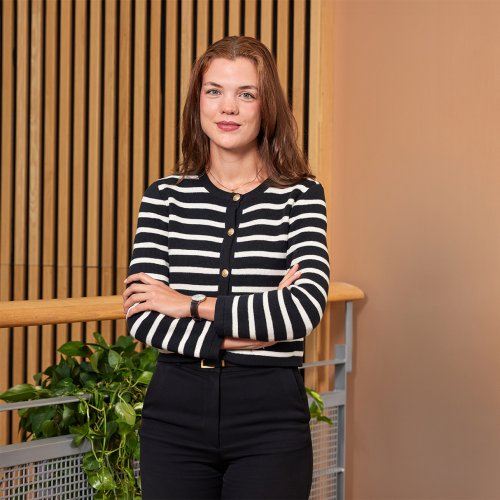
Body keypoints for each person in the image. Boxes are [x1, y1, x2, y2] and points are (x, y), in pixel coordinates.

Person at [123, 35, 330, 500]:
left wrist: (188, 305)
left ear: (266, 105)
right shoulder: (164, 197)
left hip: (270, 420)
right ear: (198, 101)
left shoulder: (301, 195)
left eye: (246, 94)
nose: (228, 107)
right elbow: (143, 316)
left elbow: (301, 310)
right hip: (173, 417)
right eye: (214, 91)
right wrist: (252, 334)